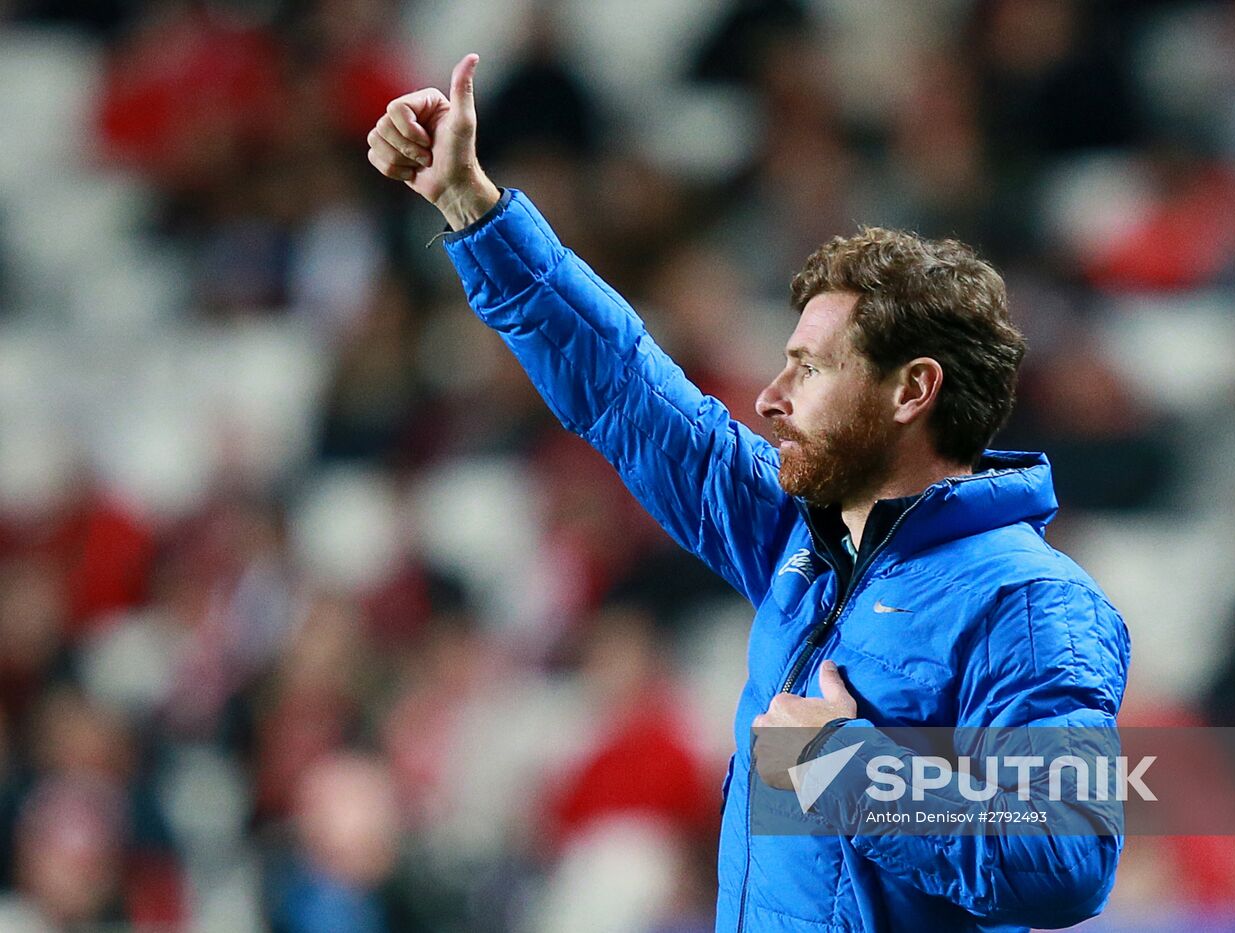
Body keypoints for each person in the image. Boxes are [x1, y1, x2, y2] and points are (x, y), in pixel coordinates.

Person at [366, 53, 1130, 932]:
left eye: (809, 369)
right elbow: (623, 386)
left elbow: (1068, 856)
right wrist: (473, 206)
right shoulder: (799, 540)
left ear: (912, 390)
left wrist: (840, 767)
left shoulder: (1031, 601)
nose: (771, 398)